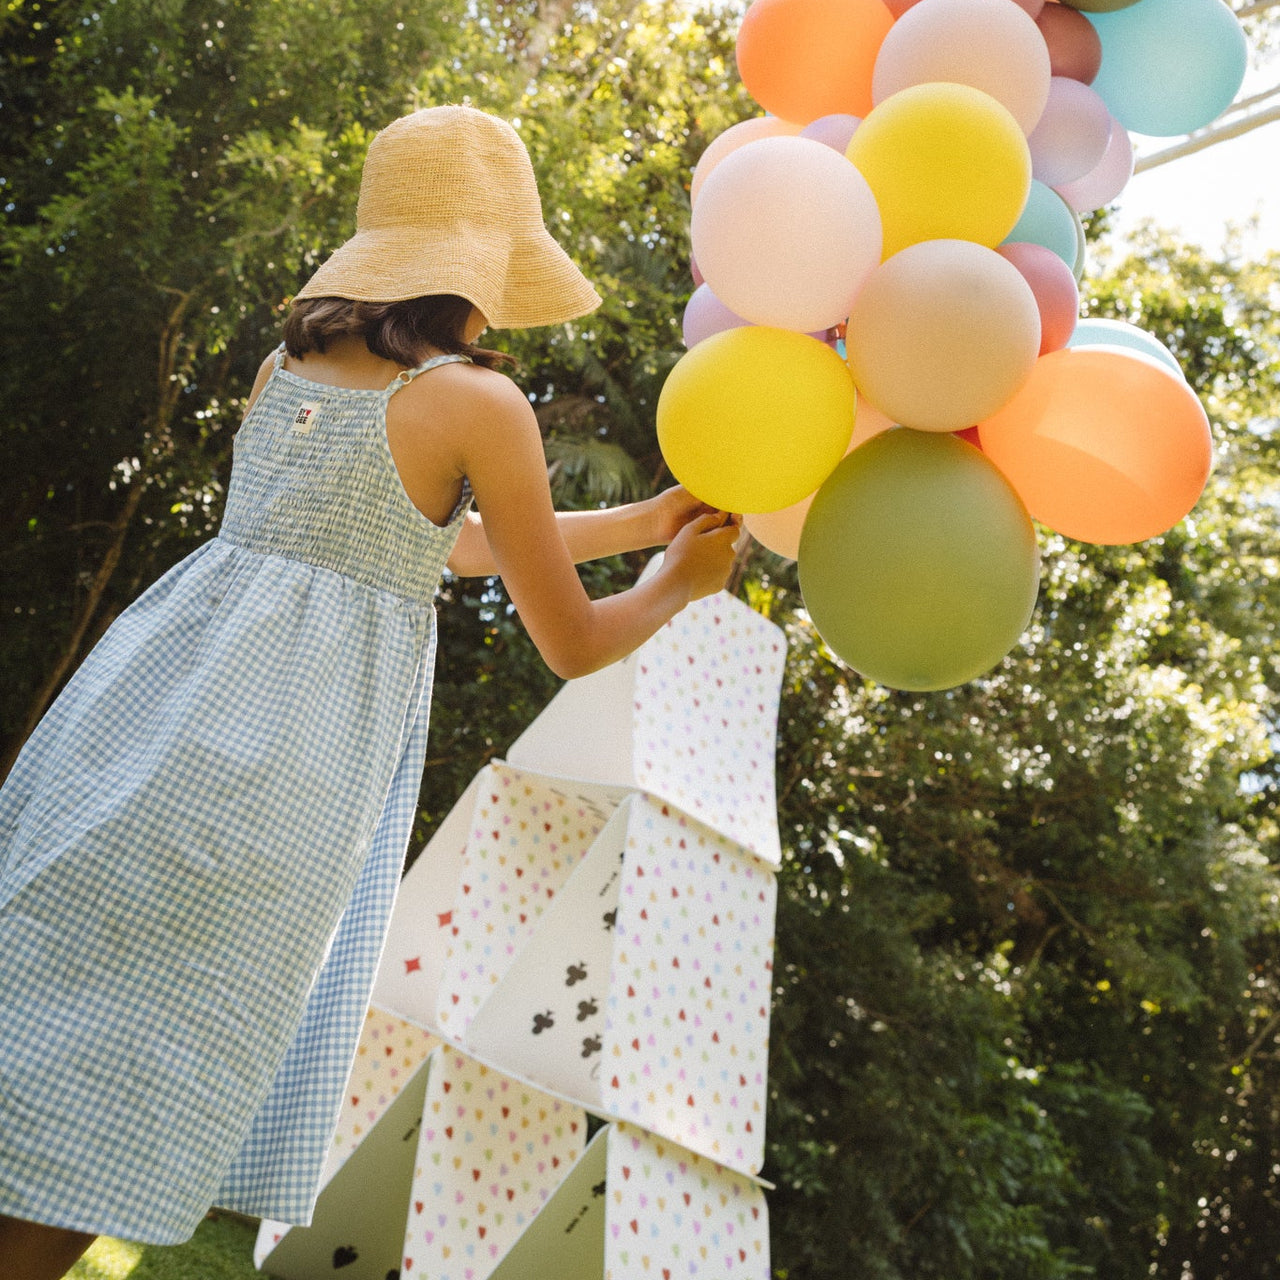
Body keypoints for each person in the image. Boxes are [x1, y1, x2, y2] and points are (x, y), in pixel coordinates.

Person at [0, 104, 738, 1280]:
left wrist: (643, 520)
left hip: (146, 713)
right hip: (281, 771)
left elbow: (432, 540)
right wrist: (675, 582)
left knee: (41, 1019)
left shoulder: (284, 363)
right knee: (146, 1071)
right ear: (485, 263)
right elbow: (573, 641)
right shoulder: (479, 402)